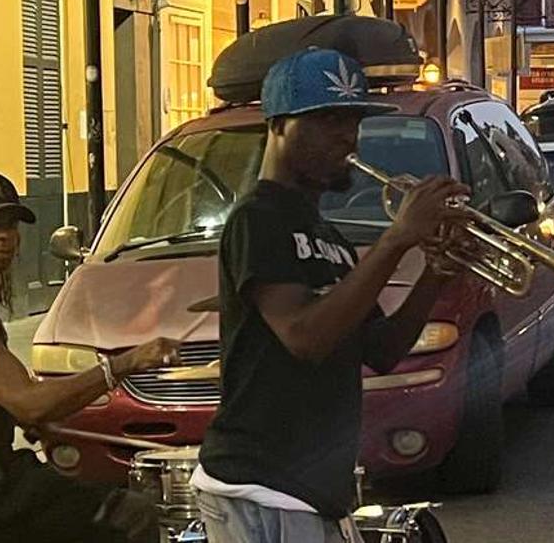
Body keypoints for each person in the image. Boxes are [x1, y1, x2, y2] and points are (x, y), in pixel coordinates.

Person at [194, 48, 470, 543]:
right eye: (328, 120)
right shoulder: (258, 218)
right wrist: (395, 240)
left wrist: (435, 272)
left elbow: (383, 350)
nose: (348, 135)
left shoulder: (331, 240)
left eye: (353, 121)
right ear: (279, 125)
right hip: (261, 484)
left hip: (315, 488)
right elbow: (304, 337)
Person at [0, 172, 179, 542]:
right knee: (131, 514)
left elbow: (13, 400)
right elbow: (30, 404)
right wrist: (124, 364)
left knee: (81, 490)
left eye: (10, 224)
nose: (4, 235)